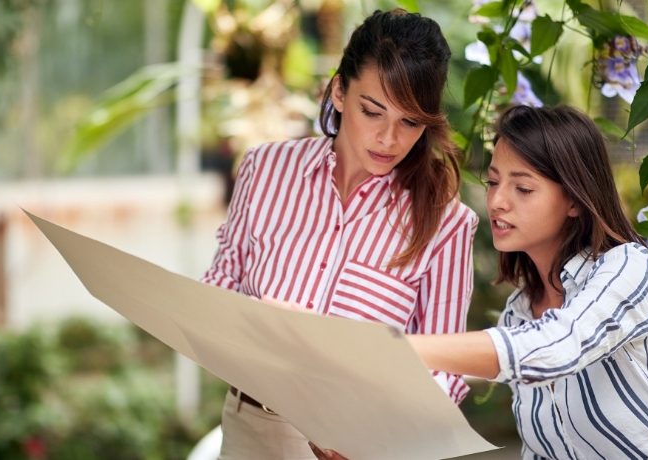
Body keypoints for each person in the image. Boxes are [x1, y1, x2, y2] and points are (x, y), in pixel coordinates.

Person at [307, 105, 648, 459]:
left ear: (574, 199)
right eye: (494, 182)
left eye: (523, 188)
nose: (498, 201)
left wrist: (388, 347)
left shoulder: (628, 268)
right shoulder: (518, 316)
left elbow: (557, 347)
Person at [201, 8, 477, 460]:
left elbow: (445, 366)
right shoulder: (265, 170)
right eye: (373, 111)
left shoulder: (446, 222)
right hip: (254, 428)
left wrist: (378, 434)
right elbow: (219, 287)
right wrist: (261, 315)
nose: (389, 138)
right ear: (339, 91)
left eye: (410, 122)